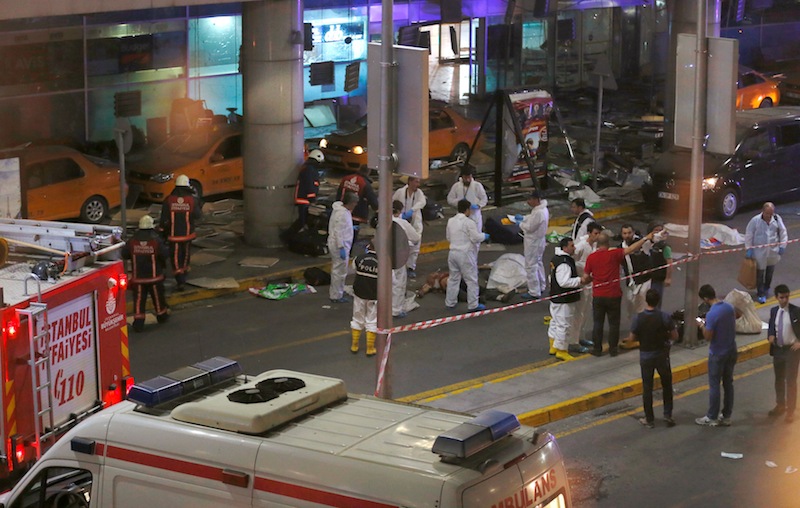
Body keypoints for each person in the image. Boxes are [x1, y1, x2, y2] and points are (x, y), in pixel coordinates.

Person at [583, 230, 654, 357]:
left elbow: (585, 278)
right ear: (608, 243)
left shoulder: (591, 258)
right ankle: (613, 349)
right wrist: (646, 238)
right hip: (613, 295)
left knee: (598, 323)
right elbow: (631, 248)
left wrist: (591, 279)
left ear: (597, 244)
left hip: (598, 295)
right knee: (614, 323)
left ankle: (597, 349)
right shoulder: (614, 254)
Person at [628, 289, 677, 428]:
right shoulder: (664, 317)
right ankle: (668, 414)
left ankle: (649, 419)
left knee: (647, 387)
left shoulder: (639, 318)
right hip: (662, 355)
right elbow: (675, 335)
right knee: (667, 384)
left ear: (646, 300)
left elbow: (631, 338)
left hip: (646, 355)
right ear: (658, 301)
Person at [696, 284, 738, 427]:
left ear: (706, 299)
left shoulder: (712, 314)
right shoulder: (728, 307)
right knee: (728, 383)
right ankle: (726, 416)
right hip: (731, 350)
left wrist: (702, 325)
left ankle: (712, 417)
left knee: (715, 385)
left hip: (717, 353)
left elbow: (708, 336)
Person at [124, 215, 170, 332]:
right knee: (158, 298)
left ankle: (138, 323)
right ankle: (161, 316)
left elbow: (124, 254)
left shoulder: (132, 241)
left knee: (139, 300)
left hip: (138, 278)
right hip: (154, 277)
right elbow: (164, 254)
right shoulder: (156, 240)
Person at [445, 199, 490, 312]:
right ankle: (473, 304)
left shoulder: (451, 221)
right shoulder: (469, 222)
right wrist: (484, 236)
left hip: (453, 252)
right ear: (467, 209)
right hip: (465, 254)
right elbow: (475, 238)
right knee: (471, 280)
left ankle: (450, 302)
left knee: (453, 278)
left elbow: (448, 237)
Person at [160, 174, 203, 291]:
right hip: (188, 235)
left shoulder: (169, 200)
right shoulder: (192, 200)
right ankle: (184, 274)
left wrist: (162, 232)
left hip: (174, 236)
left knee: (175, 257)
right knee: (186, 254)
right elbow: (198, 216)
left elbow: (163, 219)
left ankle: (179, 279)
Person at [547, 237, 585, 361]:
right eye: (572, 246)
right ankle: (562, 350)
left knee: (555, 322)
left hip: (555, 297)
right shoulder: (564, 263)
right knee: (564, 324)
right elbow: (564, 282)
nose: (574, 248)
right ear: (565, 248)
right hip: (565, 299)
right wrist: (580, 280)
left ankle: (553, 345)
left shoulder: (556, 259)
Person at [767, 284, 800, 423]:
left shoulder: (796, 311)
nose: (784, 300)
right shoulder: (774, 311)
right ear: (776, 297)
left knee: (791, 381)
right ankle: (780, 405)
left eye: (787, 297)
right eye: (781, 297)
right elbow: (771, 326)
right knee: (779, 379)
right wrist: (771, 335)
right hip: (778, 350)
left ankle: (790, 411)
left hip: (791, 351)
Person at [745, 202, 788, 303]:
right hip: (759, 252)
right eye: (767, 214)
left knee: (769, 273)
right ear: (763, 211)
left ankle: (766, 288)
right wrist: (749, 248)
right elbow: (749, 235)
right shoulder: (755, 221)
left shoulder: (777, 219)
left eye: (771, 214)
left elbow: (783, 233)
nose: (769, 216)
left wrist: (782, 246)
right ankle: (760, 293)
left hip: (773, 252)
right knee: (760, 274)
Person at [572, 222, 603, 350]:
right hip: (582, 283)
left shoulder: (594, 245)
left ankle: (580, 336)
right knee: (578, 312)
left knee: (585, 311)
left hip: (591, 283)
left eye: (599, 234)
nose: (597, 236)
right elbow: (572, 261)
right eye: (595, 233)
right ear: (589, 233)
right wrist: (585, 270)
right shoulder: (581, 246)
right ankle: (573, 341)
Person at [391, 200, 421, 318]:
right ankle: (395, 310)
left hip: (384, 257)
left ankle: (384, 306)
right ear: (400, 211)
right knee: (398, 283)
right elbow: (415, 237)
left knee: (385, 283)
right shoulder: (402, 223)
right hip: (398, 257)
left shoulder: (382, 222)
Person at [284, 149, 323, 239]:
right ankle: (286, 237)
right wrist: (312, 198)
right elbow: (310, 184)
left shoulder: (307, 168)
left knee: (305, 220)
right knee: (303, 221)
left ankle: (298, 237)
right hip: (304, 199)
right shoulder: (310, 169)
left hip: (303, 198)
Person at [517, 191, 549, 300]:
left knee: (531, 266)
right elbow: (532, 218)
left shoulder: (539, 212)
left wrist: (520, 224)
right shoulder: (541, 209)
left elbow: (530, 227)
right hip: (538, 241)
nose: (528, 201)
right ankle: (541, 285)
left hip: (533, 242)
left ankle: (534, 291)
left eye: (530, 199)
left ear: (536, 200)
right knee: (538, 263)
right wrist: (524, 218)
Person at [392, 176, 426, 279]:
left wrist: (412, 210)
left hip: (415, 222)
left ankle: (411, 267)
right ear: (410, 182)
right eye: (416, 182)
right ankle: (400, 264)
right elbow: (393, 202)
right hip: (402, 220)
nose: (418, 184)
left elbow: (422, 202)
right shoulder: (400, 192)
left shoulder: (419, 193)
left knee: (415, 246)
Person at [327, 191, 358, 303]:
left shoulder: (340, 210)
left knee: (338, 270)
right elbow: (338, 232)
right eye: (354, 203)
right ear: (350, 202)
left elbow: (341, 227)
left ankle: (337, 291)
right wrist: (341, 247)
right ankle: (336, 295)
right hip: (340, 245)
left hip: (339, 243)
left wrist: (350, 228)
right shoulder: (342, 214)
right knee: (339, 272)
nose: (355, 205)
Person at [620, 224, 652, 330]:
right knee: (630, 304)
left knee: (642, 304)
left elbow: (652, 242)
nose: (627, 235)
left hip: (645, 279)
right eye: (625, 233)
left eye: (629, 233)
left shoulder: (642, 243)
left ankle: (642, 329)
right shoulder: (621, 247)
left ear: (633, 232)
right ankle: (635, 327)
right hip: (631, 281)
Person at [350, 241, 379, 356]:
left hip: (359, 293)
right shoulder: (384, 262)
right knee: (372, 320)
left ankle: (354, 345)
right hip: (373, 295)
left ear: (368, 247)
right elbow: (390, 279)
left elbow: (353, 269)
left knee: (357, 318)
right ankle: (370, 348)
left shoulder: (359, 259)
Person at [337, 166, 379, 238]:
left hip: (340, 211)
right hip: (355, 216)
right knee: (349, 238)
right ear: (368, 172)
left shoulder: (346, 178)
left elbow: (339, 193)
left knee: (338, 233)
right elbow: (374, 203)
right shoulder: (365, 184)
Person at [447, 165, 488, 232]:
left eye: (469, 177)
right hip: (461, 216)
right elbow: (450, 199)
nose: (467, 179)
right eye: (465, 178)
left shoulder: (477, 186)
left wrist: (478, 205)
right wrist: (459, 202)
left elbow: (484, 199)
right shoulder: (456, 186)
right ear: (462, 177)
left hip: (474, 216)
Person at [646, 222, 672, 305]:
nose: (658, 233)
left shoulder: (665, 247)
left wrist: (668, 278)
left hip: (657, 279)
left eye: (660, 231)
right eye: (656, 231)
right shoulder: (646, 244)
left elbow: (669, 263)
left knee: (655, 301)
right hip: (645, 278)